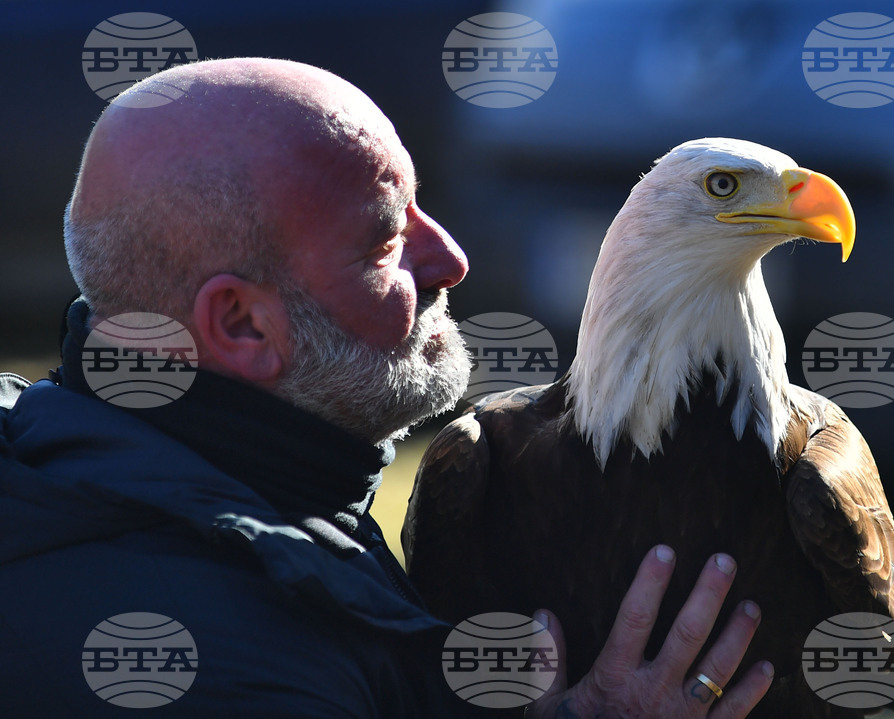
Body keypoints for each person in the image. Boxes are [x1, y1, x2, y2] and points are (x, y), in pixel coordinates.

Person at [0, 58, 772, 717]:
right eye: (386, 240)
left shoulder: (104, 476)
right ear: (241, 324)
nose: (450, 258)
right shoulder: (237, 671)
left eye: (419, 206)